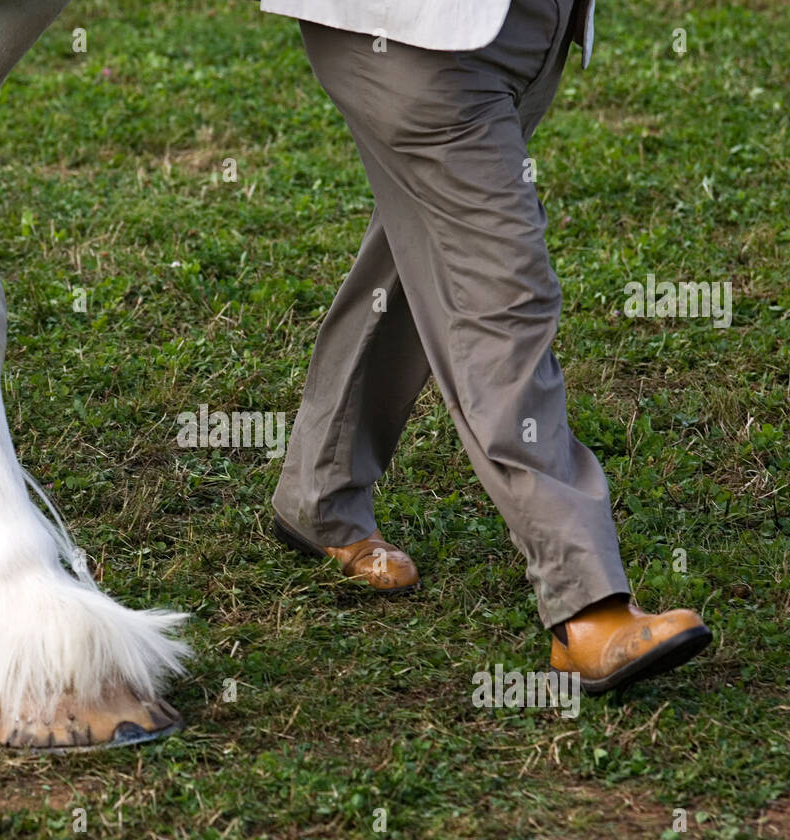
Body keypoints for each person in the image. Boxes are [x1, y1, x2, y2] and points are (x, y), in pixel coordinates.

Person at [262, 0, 712, 694]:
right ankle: (586, 606)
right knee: (505, 293)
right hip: (413, 37)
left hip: (524, 32)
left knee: (428, 257)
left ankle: (319, 492)